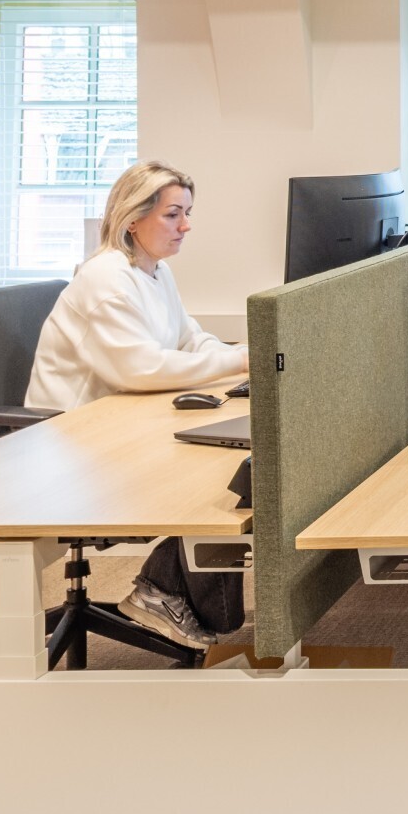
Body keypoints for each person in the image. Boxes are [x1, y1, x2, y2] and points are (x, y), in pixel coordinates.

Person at [26, 158, 250, 650]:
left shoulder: (153, 272)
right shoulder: (105, 280)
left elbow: (189, 340)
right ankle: (161, 590)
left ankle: (168, 591)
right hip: (70, 444)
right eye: (173, 214)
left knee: (235, 464)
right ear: (132, 218)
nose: (185, 226)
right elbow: (141, 369)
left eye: (187, 213)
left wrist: (240, 356)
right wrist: (235, 363)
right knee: (217, 474)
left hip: (121, 427)